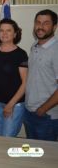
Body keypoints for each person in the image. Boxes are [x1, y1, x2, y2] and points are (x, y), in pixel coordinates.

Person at [0, 19, 28, 137]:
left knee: (7, 138)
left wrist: (10, 105)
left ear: (15, 34)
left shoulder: (21, 54)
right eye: (1, 30)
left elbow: (25, 83)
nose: (4, 33)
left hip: (14, 104)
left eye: (8, 31)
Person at [24, 9, 58, 141]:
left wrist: (43, 109)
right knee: (35, 153)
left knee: (47, 159)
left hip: (47, 116)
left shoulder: (56, 50)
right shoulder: (35, 46)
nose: (40, 26)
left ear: (54, 26)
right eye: (38, 22)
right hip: (30, 111)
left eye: (46, 23)